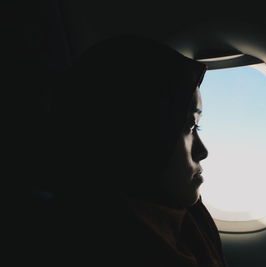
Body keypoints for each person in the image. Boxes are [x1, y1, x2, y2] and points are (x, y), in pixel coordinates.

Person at [29, 35, 228, 266]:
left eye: (198, 126)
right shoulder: (102, 246)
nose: (203, 152)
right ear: (141, 135)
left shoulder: (186, 218)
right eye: (189, 127)